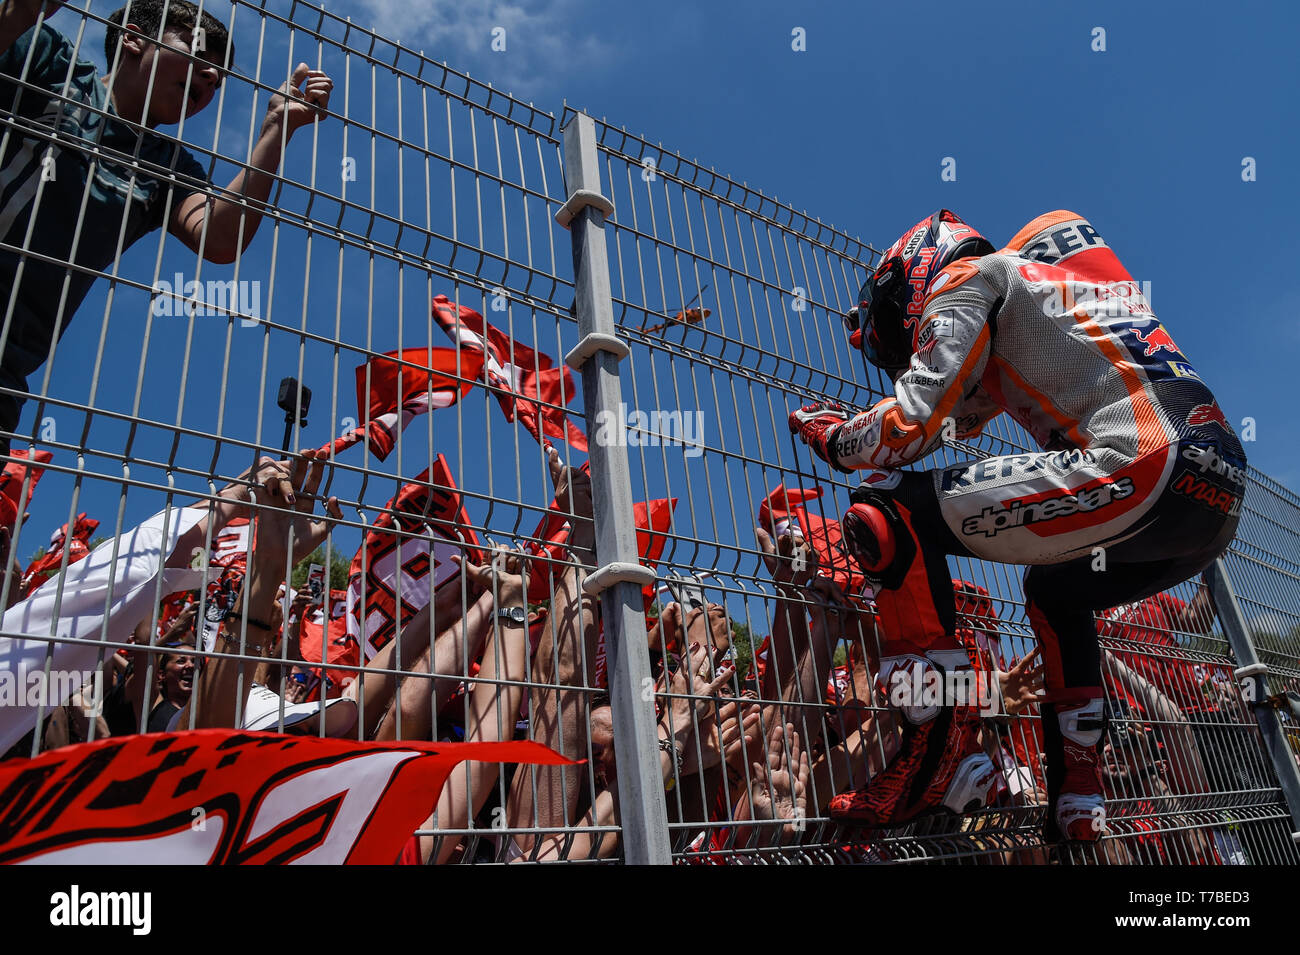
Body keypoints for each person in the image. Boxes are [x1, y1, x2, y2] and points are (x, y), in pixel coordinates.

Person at [789, 209, 1246, 842]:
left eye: (892, 322)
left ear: (915, 271)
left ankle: (932, 757)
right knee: (1055, 591)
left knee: (890, 506)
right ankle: (1077, 797)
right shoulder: (1047, 288)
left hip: (1144, 462)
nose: (899, 345)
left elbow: (909, 428)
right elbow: (954, 417)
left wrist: (835, 436)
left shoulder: (967, 278)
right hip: (1216, 492)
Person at [0, 0, 333, 450]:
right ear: (135, 39)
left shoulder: (164, 166)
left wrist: (278, 127)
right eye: (198, 53)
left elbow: (221, 238)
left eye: (218, 77)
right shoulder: (51, 67)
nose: (211, 77)